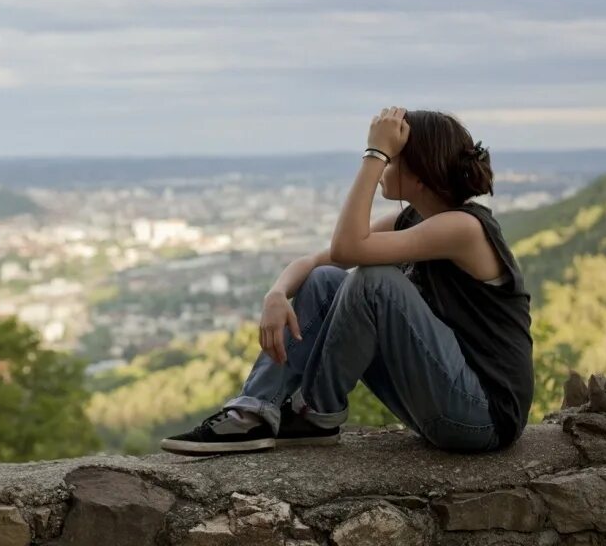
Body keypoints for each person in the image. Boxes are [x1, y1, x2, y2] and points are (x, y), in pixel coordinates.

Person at [160, 107, 534, 456]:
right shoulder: (416, 220)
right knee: (325, 280)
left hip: (484, 417)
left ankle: (315, 415)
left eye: (393, 160)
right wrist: (276, 293)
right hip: (444, 401)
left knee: (374, 281)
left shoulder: (465, 227)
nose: (385, 167)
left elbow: (349, 246)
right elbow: (325, 258)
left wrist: (374, 153)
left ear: (418, 174)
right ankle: (253, 412)